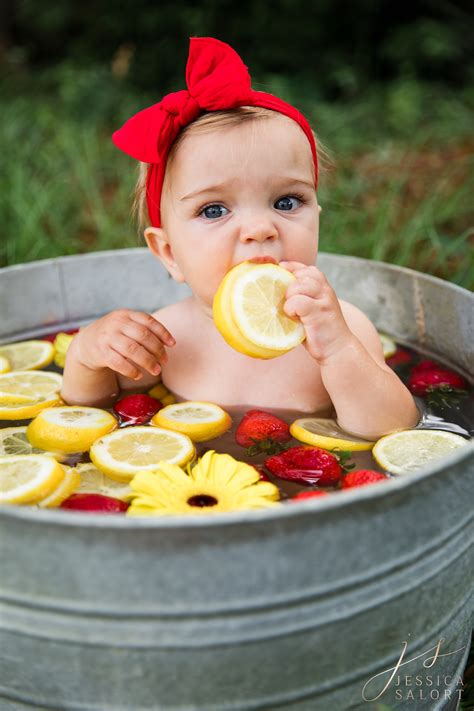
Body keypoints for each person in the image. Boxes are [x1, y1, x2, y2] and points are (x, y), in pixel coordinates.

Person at [61, 36, 419, 439]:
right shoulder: (167, 337)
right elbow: (91, 412)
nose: (260, 228)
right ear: (168, 253)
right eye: (214, 210)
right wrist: (86, 359)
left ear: (316, 217)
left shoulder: (344, 328)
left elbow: (395, 429)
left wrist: (337, 351)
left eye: (286, 201)